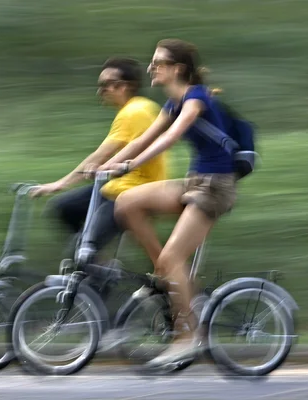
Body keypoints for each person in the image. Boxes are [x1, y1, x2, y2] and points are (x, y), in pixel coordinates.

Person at [94, 39, 237, 364]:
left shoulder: (195, 99)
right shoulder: (172, 104)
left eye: (158, 62)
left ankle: (189, 336)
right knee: (127, 202)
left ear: (177, 69)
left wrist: (128, 166)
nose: (150, 68)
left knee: (174, 256)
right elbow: (145, 139)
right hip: (195, 182)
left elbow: (169, 138)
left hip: (216, 187)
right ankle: (167, 272)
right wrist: (105, 167)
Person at [30, 57, 169, 263]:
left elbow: (101, 154)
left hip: (133, 193)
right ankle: (100, 265)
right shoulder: (136, 108)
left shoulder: (134, 112)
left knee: (82, 251)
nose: (100, 91)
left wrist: (60, 184)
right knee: (63, 208)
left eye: (105, 86)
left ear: (123, 86)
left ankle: (97, 280)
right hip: (119, 187)